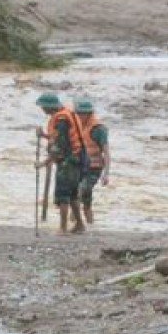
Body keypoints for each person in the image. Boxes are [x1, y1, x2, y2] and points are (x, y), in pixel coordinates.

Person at [39, 90, 89, 234]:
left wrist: (45, 162)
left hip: (68, 162)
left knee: (63, 195)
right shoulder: (66, 115)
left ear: (50, 107)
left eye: (43, 107)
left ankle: (63, 228)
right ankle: (79, 225)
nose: (42, 109)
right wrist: (44, 136)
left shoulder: (61, 120)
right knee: (72, 194)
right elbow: (60, 138)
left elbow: (60, 146)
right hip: (77, 159)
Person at [75, 96, 112, 227]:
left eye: (81, 114)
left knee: (79, 192)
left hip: (94, 168)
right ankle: (90, 226)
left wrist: (106, 174)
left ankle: (75, 224)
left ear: (89, 114)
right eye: (77, 113)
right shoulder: (78, 126)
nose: (79, 116)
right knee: (86, 200)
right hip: (80, 167)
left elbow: (106, 153)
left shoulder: (98, 129)